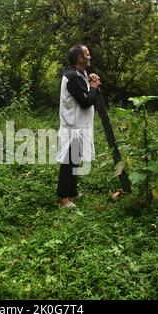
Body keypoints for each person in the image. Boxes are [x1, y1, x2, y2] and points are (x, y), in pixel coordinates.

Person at [56, 45, 101, 208]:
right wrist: (94, 88)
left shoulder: (80, 74)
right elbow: (85, 101)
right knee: (68, 163)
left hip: (80, 126)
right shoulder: (72, 76)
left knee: (74, 161)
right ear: (80, 58)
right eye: (87, 54)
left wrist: (92, 80)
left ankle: (72, 193)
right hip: (73, 127)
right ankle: (63, 199)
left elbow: (86, 89)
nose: (90, 56)